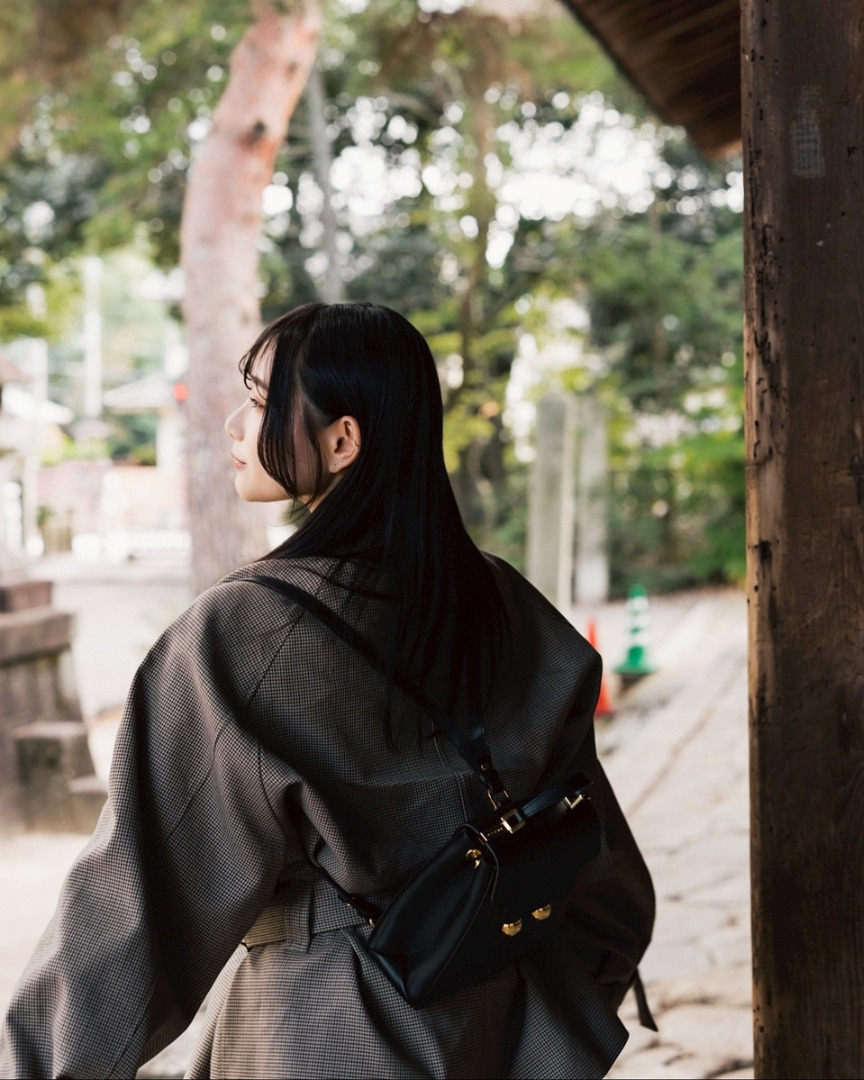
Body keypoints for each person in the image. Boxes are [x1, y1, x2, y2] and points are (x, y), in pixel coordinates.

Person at [0, 302, 653, 1079]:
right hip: (508, 1023)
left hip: (324, 1032)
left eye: (260, 400)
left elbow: (132, 914)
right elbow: (602, 874)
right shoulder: (506, 605)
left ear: (343, 441)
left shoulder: (244, 634)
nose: (234, 425)